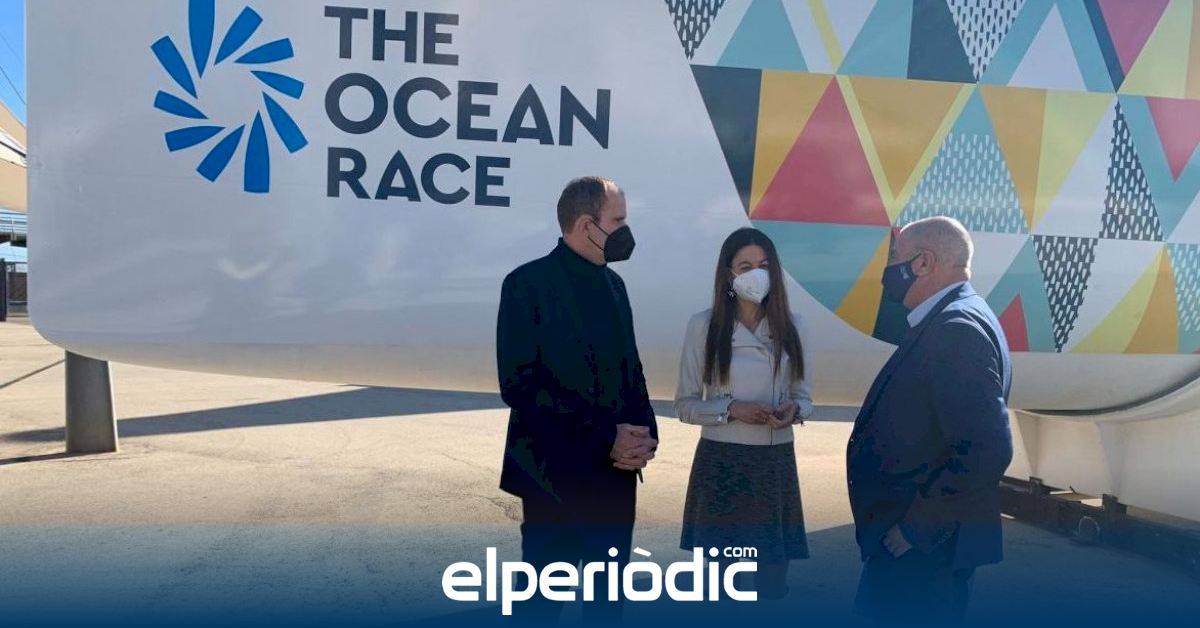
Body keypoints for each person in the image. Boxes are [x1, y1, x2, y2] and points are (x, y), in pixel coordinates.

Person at [495, 176, 658, 624]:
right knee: (541, 607)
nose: (626, 230)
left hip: (615, 478)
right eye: (618, 220)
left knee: (606, 608)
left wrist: (645, 436)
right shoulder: (526, 284)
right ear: (587, 225)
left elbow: (632, 372)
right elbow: (519, 385)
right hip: (553, 476)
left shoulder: (615, 286)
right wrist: (607, 435)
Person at [846, 217, 1014, 624]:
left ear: (923, 263)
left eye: (895, 258)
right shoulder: (954, 317)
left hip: (922, 552)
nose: (888, 271)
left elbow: (988, 450)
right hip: (921, 548)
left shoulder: (957, 329)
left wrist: (917, 527)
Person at [674, 227, 813, 600]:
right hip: (723, 463)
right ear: (728, 274)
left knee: (772, 584)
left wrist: (794, 410)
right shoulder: (703, 326)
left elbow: (804, 397)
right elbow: (685, 404)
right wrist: (731, 409)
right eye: (746, 266)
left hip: (774, 462)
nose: (757, 275)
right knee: (723, 586)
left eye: (764, 265)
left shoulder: (794, 327)